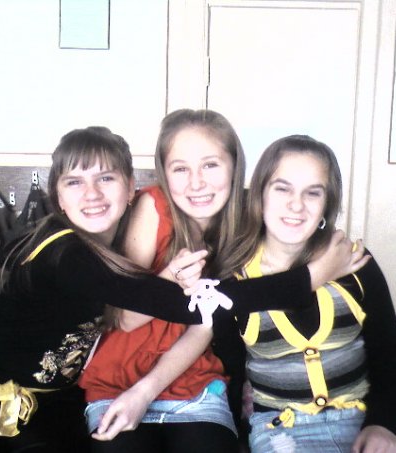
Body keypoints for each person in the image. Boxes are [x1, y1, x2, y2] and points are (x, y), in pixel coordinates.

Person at [79, 110, 369, 452]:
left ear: (235, 167)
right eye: (180, 169)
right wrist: (170, 277)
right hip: (120, 378)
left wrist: (323, 261)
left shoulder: (246, 225)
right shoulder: (153, 206)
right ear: (164, 174)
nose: (196, 183)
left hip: (191, 380)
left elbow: (208, 322)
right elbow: (126, 318)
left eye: (211, 165)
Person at [0, 126, 219, 453]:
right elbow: (154, 300)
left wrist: (176, 275)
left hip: (51, 404)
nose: (92, 194)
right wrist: (208, 287)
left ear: (131, 187)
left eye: (106, 178)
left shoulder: (111, 247)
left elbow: (132, 309)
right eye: (74, 182)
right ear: (59, 198)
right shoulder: (64, 251)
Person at [220, 134, 396, 452]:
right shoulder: (235, 277)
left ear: (328, 203)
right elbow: (229, 370)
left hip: (364, 418)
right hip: (281, 429)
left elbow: (389, 351)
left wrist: (383, 423)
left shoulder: (355, 264)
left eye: (313, 193)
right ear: (260, 195)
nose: (296, 204)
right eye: (282, 188)